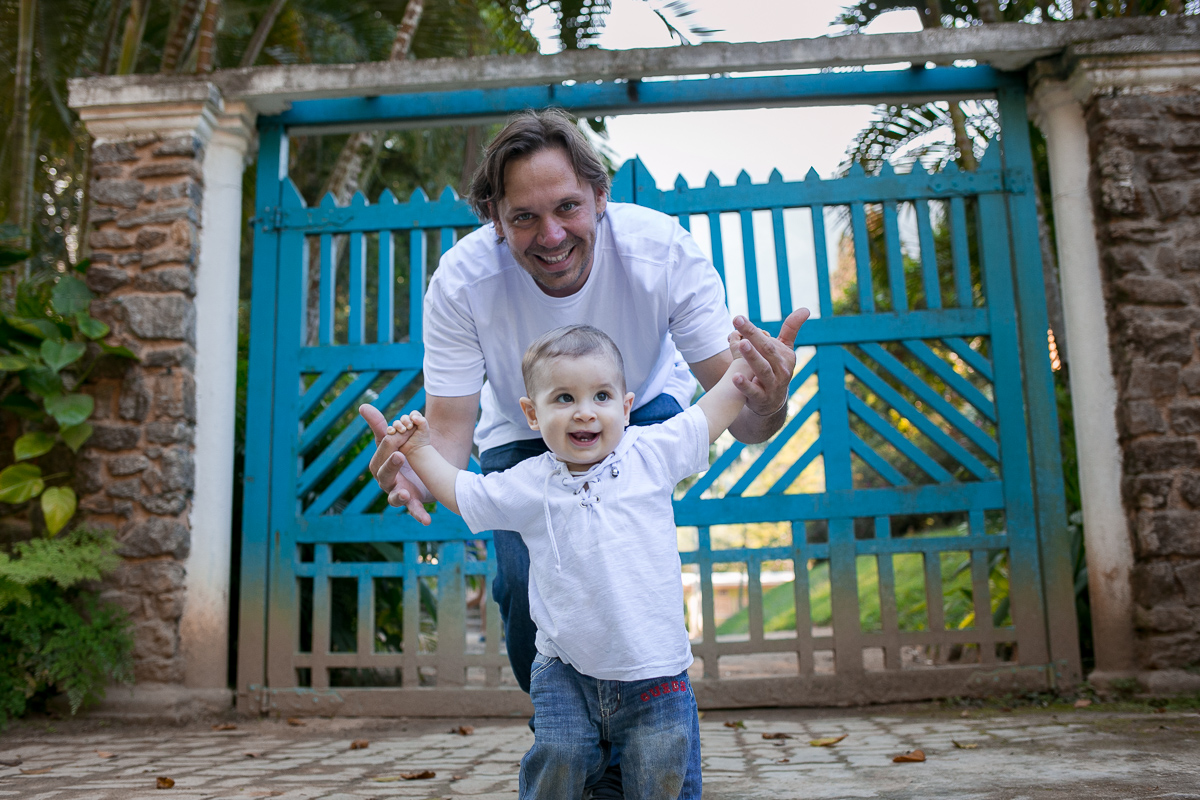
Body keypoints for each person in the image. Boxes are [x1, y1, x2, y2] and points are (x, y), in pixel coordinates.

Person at [359, 108, 808, 796]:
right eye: (524, 219)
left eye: (568, 207)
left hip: (644, 406)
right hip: (522, 430)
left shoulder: (662, 253)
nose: (553, 235)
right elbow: (450, 426)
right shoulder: (462, 281)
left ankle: (646, 710)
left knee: (618, 560)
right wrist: (418, 470)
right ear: (494, 218)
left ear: (601, 196)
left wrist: (769, 395)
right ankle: (569, 730)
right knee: (516, 578)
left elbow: (740, 411)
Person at [382, 324, 770, 799]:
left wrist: (743, 369)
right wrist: (420, 451)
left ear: (626, 408)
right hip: (566, 670)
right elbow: (466, 494)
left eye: (602, 396)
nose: (585, 412)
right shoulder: (527, 483)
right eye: (563, 398)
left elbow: (710, 414)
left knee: (658, 773)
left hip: (654, 671)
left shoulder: (653, 453)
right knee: (559, 758)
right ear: (531, 413)